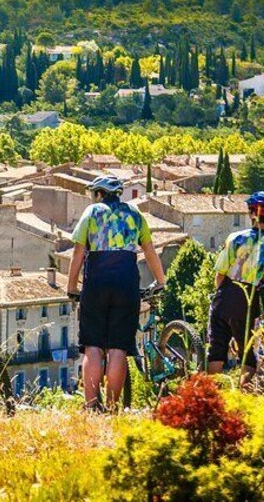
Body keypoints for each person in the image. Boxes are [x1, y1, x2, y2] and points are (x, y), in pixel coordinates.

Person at [66, 175, 166, 410]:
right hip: (126, 280)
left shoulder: (92, 212)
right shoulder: (134, 214)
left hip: (97, 282)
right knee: (118, 348)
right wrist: (161, 281)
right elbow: (149, 250)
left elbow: (78, 253)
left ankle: (91, 407)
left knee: (93, 346)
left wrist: (71, 287)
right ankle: (112, 407)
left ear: (99, 194)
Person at [207, 191, 264, 385]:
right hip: (250, 299)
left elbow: (220, 272)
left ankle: (213, 396)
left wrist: (221, 294)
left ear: (252, 213)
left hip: (225, 294)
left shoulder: (235, 238)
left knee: (216, 349)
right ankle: (244, 392)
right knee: (248, 352)